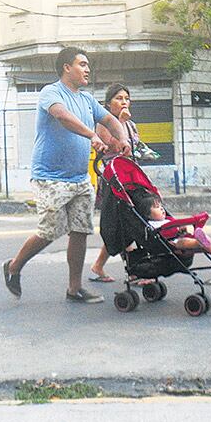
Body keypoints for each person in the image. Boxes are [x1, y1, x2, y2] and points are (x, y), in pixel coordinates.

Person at [2, 47, 130, 304]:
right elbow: (62, 116)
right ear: (66, 67)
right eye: (82, 64)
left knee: (80, 230)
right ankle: (14, 266)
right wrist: (91, 135)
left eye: (88, 65)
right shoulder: (51, 92)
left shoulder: (87, 100)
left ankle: (74, 289)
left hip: (79, 178)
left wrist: (123, 139)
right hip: (50, 176)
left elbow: (111, 121)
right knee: (50, 230)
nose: (87, 69)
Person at [88, 82, 140, 283]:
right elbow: (116, 146)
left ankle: (98, 266)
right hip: (113, 179)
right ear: (109, 104)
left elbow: (137, 148)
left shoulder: (131, 123)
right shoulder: (104, 124)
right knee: (124, 224)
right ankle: (134, 272)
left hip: (130, 177)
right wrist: (120, 121)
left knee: (120, 225)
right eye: (119, 98)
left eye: (127, 99)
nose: (124, 102)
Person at [133, 190, 211, 270]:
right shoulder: (150, 224)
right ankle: (200, 241)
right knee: (184, 242)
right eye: (157, 207)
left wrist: (181, 228)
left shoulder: (168, 219)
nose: (162, 209)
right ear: (147, 214)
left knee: (199, 239)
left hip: (181, 236)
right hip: (172, 243)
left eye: (161, 206)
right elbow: (160, 235)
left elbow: (176, 227)